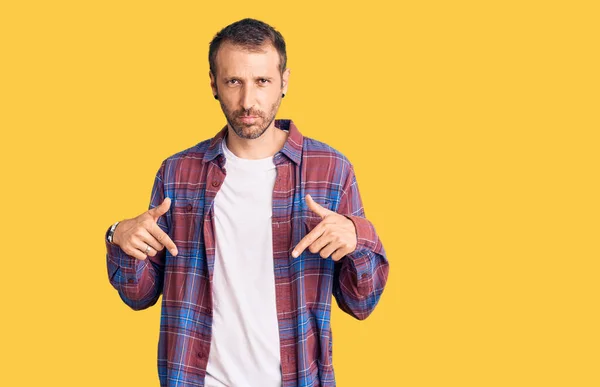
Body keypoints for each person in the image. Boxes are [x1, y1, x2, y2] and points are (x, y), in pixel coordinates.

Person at [105, 18, 389, 387]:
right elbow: (139, 295)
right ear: (213, 84)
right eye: (233, 81)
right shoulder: (177, 173)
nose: (247, 101)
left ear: (284, 82)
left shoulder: (331, 170)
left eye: (262, 82)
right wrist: (119, 239)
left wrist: (358, 240)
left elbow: (361, 305)